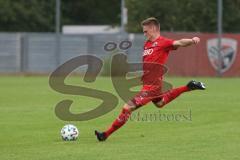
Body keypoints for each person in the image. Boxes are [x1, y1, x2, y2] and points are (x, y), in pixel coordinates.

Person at [95, 17, 206, 141]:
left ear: (153, 29)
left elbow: (179, 42)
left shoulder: (163, 42)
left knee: (128, 107)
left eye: (145, 31)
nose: (144, 34)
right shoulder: (147, 44)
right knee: (160, 103)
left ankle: (105, 135)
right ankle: (188, 86)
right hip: (149, 84)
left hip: (152, 87)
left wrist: (192, 40)